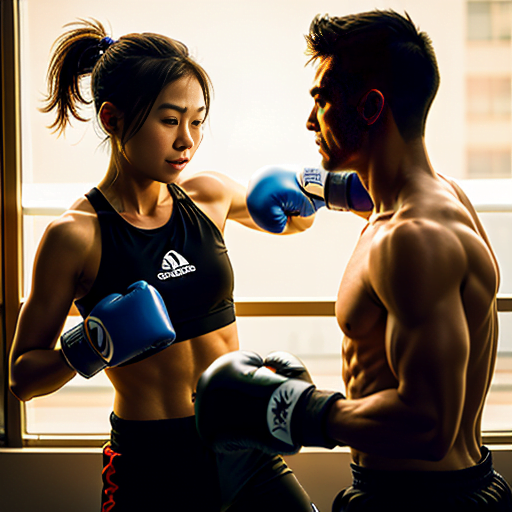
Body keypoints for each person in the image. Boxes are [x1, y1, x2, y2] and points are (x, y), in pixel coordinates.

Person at [7, 19, 331, 512]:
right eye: (169, 120)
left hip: (244, 443)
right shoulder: (75, 236)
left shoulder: (210, 196)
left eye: (197, 121)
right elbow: (22, 378)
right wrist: (91, 346)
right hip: (152, 461)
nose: (187, 141)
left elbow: (295, 221)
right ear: (113, 119)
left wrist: (310, 185)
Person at [194, 10, 512, 512]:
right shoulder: (440, 194)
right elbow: (363, 193)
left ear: (369, 107)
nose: (308, 120)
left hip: (418, 503)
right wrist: (315, 184)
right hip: (438, 488)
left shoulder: (411, 240)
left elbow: (429, 424)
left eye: (321, 100)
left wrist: (295, 410)